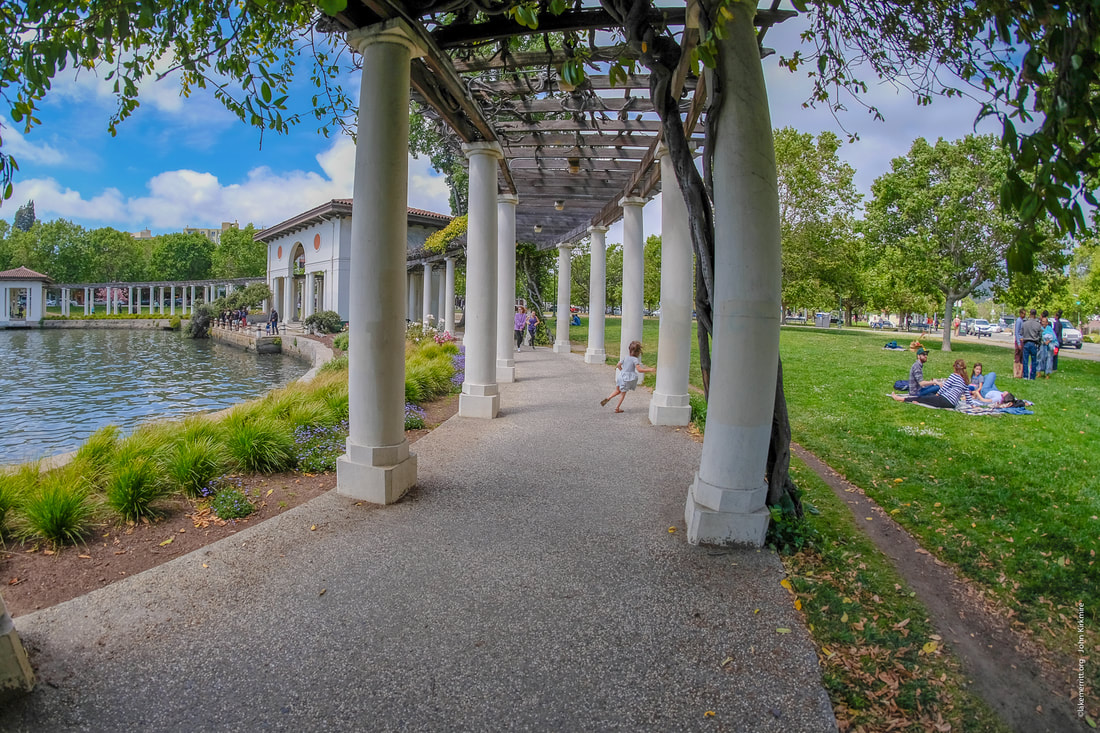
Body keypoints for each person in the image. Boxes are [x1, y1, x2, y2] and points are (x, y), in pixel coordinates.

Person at [600, 340, 654, 413]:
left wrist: (622, 371)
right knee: (623, 393)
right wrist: (650, 370)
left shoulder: (626, 357)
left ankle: (609, 398)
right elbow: (639, 370)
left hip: (621, 376)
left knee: (617, 390)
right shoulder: (635, 360)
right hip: (626, 378)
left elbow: (618, 365)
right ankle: (617, 408)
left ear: (629, 349)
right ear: (638, 352)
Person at [894, 358, 970, 408]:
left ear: (955, 367)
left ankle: (902, 399)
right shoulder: (965, 380)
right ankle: (913, 400)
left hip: (945, 400)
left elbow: (945, 387)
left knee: (923, 398)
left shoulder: (954, 376)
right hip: (953, 404)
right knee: (929, 397)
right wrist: (972, 405)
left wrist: (938, 394)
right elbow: (967, 395)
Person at [1019, 309, 1041, 379]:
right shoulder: (1038, 324)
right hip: (1034, 343)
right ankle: (1032, 376)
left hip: (1026, 343)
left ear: (1030, 314)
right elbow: (1040, 335)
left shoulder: (1025, 323)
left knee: (1025, 360)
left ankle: (1025, 375)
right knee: (1034, 360)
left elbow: (1021, 333)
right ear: (1035, 315)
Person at [1037, 314, 1058, 378]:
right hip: (1042, 346)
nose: (1042, 323)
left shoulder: (1050, 329)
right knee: (1040, 358)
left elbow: (1053, 337)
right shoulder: (1040, 329)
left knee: (1049, 359)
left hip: (1049, 347)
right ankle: (1039, 372)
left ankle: (1047, 374)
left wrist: (1048, 341)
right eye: (1042, 321)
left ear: (1047, 322)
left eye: (1044, 322)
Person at [1013, 307, 1025, 378]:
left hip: (1022, 339)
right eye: (1023, 313)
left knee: (1021, 357)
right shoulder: (1019, 321)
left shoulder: (1022, 320)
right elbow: (1017, 332)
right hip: (1019, 340)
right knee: (1017, 356)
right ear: (1020, 313)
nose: (1024, 315)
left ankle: (1020, 372)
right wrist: (1018, 342)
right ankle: (1016, 372)